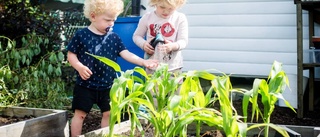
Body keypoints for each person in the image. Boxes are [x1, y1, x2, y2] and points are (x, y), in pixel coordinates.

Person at [66, 0, 158, 137]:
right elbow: (71, 55)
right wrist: (79, 67)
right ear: (93, 16)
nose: (111, 24)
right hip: (85, 85)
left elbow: (126, 53)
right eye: (108, 20)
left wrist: (143, 62)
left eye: (114, 20)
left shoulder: (113, 38)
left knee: (108, 114)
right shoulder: (81, 35)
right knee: (80, 115)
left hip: (108, 85)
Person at [133, 0, 188, 74]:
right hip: (152, 66)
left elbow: (183, 41)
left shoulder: (180, 18)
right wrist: (143, 44)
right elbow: (137, 36)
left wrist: (173, 46)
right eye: (162, 7)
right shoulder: (147, 18)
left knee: (173, 86)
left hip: (173, 67)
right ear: (155, 3)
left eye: (170, 8)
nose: (166, 11)